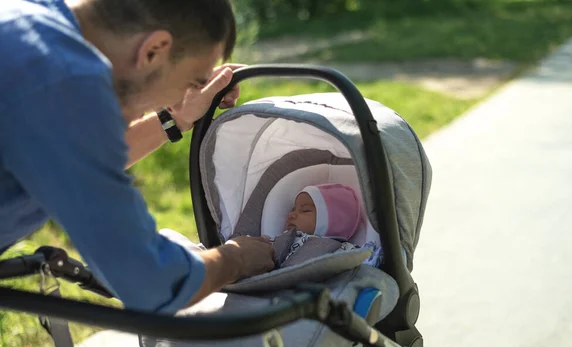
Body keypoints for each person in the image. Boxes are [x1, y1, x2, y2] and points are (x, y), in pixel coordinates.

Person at [0, 0, 275, 313]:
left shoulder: (27, 23)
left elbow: (71, 157)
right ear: (154, 50)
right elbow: (150, 281)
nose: (181, 97)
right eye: (193, 82)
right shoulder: (64, 80)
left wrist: (175, 119)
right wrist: (237, 258)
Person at [273, 184, 362, 266]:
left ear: (329, 221)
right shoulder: (280, 239)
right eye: (293, 209)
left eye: (305, 210)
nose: (291, 214)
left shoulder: (344, 249)